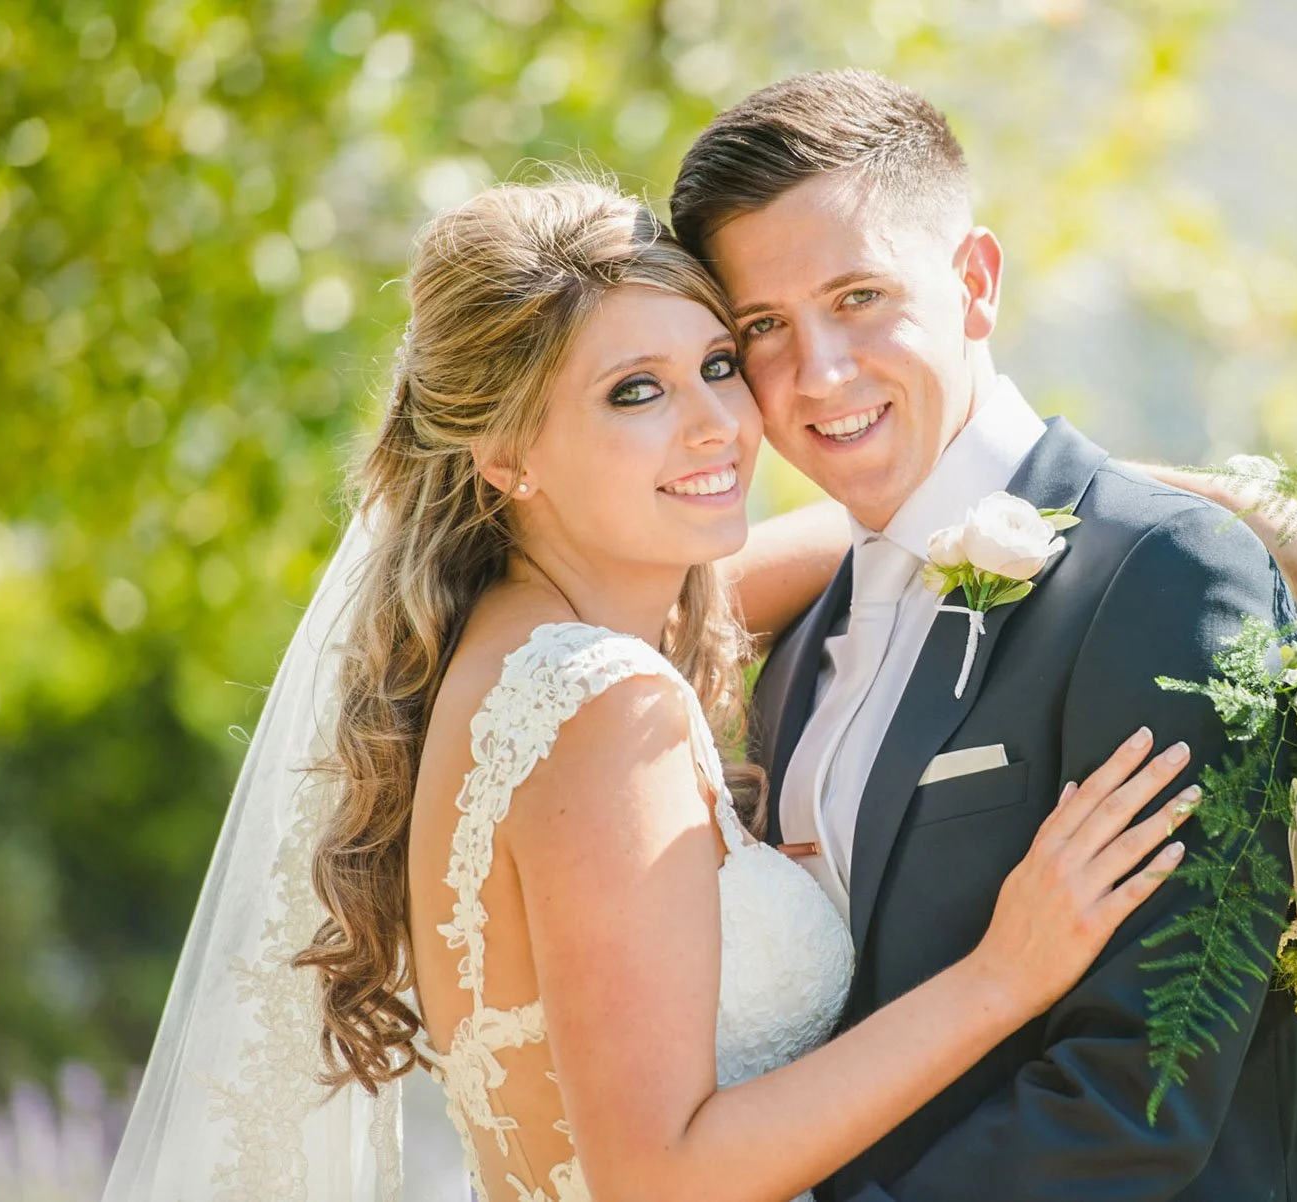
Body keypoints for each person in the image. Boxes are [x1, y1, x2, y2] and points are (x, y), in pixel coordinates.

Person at [104, 179, 1202, 1202]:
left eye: (720, 364)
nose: (716, 424)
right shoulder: (600, 701)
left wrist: (1177, 499)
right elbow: (660, 1174)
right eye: (635, 391)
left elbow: (896, 525)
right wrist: (1000, 978)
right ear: (505, 452)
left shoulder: (506, 647)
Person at [668, 69, 1297, 1201]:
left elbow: (1144, 1086)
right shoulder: (790, 657)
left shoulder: (1165, 573)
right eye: (764, 326)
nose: (818, 372)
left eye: (860, 297)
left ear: (975, 283)